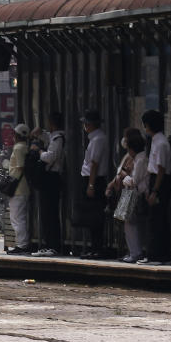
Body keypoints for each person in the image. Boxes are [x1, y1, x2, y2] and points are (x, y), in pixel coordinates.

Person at [106, 127, 148, 263]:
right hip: (129, 193)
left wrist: (124, 177)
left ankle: (135, 252)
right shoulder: (138, 158)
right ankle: (133, 252)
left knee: (130, 225)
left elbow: (134, 180)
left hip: (133, 194)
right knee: (128, 224)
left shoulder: (140, 160)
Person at [140, 109, 171, 264]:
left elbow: (161, 169)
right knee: (157, 218)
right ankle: (158, 254)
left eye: (145, 125)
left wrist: (154, 191)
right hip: (156, 181)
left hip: (160, 182)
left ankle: (157, 255)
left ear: (149, 125)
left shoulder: (160, 143)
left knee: (157, 219)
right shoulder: (156, 141)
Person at [77, 109, 109, 258]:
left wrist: (91, 185)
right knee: (91, 217)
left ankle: (97, 248)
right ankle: (94, 247)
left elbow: (94, 163)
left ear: (89, 125)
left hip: (94, 179)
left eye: (86, 124)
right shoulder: (95, 138)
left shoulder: (98, 139)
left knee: (95, 216)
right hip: (92, 178)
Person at [32, 112, 65, 257]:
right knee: (46, 213)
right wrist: (40, 133)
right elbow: (47, 137)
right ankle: (48, 244)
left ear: (52, 123)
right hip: (51, 178)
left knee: (50, 213)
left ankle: (53, 245)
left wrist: (39, 151)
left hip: (52, 178)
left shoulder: (58, 138)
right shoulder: (54, 137)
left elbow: (50, 157)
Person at [6, 124, 33, 254]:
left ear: (17, 135)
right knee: (19, 217)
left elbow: (21, 167)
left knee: (17, 218)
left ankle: (22, 245)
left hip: (18, 188)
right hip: (22, 187)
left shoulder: (18, 148)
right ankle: (22, 243)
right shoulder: (25, 147)